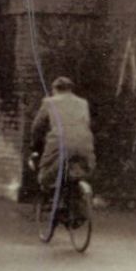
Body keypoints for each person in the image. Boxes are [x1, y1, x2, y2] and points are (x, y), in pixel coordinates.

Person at [30, 76, 96, 225]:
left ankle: (56, 203)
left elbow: (37, 127)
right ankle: (77, 205)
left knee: (46, 174)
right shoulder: (82, 103)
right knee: (78, 171)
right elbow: (86, 123)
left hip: (59, 144)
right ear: (70, 89)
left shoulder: (49, 102)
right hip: (84, 143)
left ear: (55, 89)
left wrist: (35, 146)